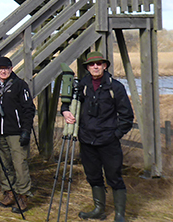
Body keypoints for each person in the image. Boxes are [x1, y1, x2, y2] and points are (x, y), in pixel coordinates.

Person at [62, 51, 134, 222]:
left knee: (114, 176)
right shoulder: (81, 85)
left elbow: (127, 116)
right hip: (87, 140)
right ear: (87, 67)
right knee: (93, 176)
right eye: (92, 64)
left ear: (105, 66)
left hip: (108, 141)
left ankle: (119, 215)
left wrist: (115, 134)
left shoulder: (115, 87)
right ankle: (98, 210)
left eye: (99, 64)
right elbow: (66, 102)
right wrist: (65, 111)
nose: (95, 67)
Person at [0, 56, 36, 213]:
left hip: (16, 132)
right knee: (3, 164)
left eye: (6, 68)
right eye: (0, 68)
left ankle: (23, 196)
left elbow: (28, 109)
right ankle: (9, 192)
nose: (3, 71)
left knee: (20, 164)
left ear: (11, 68)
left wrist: (26, 130)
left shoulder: (20, 85)